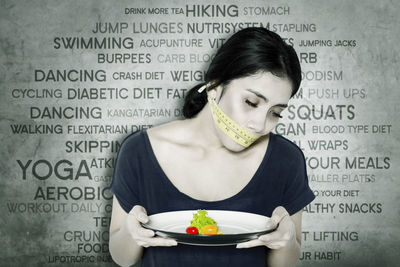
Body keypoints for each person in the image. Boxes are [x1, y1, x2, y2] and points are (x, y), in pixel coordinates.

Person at [108, 27, 315, 267]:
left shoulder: (285, 160)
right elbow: (121, 257)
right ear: (215, 87)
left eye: (275, 112)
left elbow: (284, 264)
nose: (259, 124)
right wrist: (132, 234)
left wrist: (286, 241)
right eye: (251, 102)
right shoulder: (139, 151)